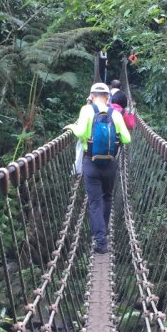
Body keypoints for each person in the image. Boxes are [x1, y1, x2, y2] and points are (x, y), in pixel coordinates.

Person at [65, 83, 131, 253]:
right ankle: (103, 230)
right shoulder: (115, 114)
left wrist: (71, 127)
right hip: (110, 163)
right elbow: (127, 138)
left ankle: (100, 241)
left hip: (91, 163)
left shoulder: (86, 110)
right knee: (107, 197)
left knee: (94, 202)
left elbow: (80, 133)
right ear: (108, 98)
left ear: (91, 96)